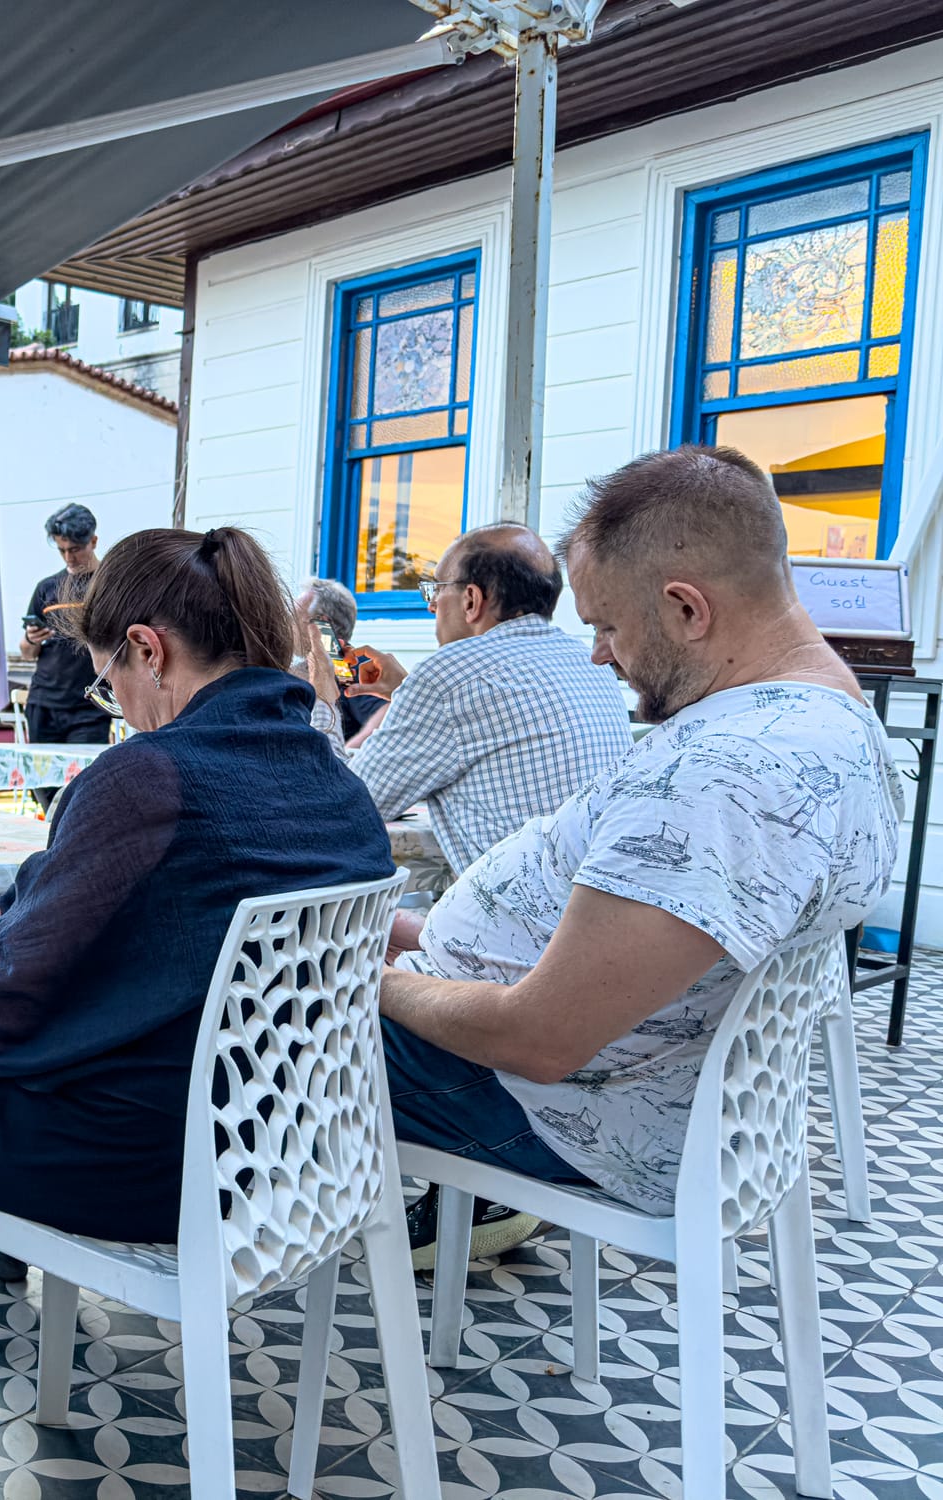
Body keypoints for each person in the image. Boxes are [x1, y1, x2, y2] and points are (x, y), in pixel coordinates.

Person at [0, 527, 394, 1500]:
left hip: (136, 1173)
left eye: (111, 681)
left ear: (148, 649)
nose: (118, 708)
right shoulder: (335, 785)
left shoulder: (146, 778)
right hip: (286, 1167)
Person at [374, 446, 900, 1264]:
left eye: (608, 625)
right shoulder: (832, 718)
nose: (597, 655)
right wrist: (422, 939)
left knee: (225, 1022)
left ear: (688, 610)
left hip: (545, 1101)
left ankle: (170, 1260)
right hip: (612, 1078)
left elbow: (539, 1037)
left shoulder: (726, 775)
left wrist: (377, 983)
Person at [337, 523, 633, 875]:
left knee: (370, 917)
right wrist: (407, 690)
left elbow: (348, 811)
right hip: (601, 897)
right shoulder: (586, 660)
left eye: (434, 591)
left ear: (471, 600)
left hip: (522, 921)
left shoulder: (448, 676)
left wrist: (324, 700)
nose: (431, 608)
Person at [17, 505, 110, 808]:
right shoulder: (46, 588)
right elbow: (28, 652)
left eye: (76, 549)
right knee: (42, 785)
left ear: (93, 541)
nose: (69, 557)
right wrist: (31, 639)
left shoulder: (109, 585)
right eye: (62, 550)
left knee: (81, 786)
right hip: (44, 701)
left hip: (90, 705)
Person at [296, 576, 386, 744]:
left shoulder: (344, 664)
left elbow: (384, 713)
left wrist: (344, 759)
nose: (288, 626)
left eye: (294, 619)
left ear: (322, 624)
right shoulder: (301, 668)